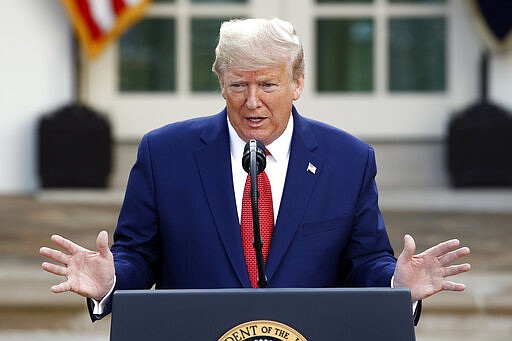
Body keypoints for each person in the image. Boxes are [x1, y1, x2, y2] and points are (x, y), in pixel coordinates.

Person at [40, 17, 470, 324]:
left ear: (297, 83)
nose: (251, 101)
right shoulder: (164, 152)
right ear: (220, 83)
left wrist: (396, 284)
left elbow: (364, 260)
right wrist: (111, 279)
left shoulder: (348, 158)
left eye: (267, 84)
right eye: (238, 85)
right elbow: (140, 252)